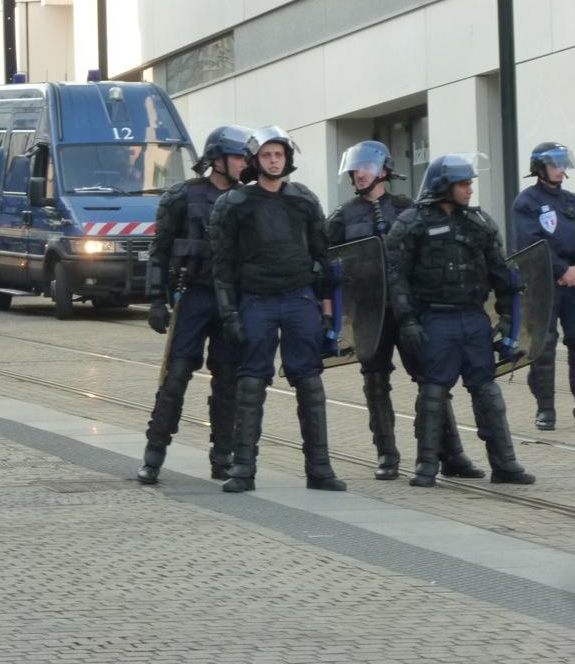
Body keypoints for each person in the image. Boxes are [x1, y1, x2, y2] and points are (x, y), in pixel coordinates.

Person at [326, 141, 484, 482]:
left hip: (410, 308)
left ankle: (451, 454)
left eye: (366, 167)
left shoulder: (407, 207)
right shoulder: (342, 216)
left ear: (384, 170)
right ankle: (387, 454)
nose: (360, 173)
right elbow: (325, 263)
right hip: (369, 311)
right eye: (356, 169)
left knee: (432, 380)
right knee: (375, 381)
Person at [211, 126, 346, 494]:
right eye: (267, 155)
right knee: (251, 383)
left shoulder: (304, 199)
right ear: (256, 160)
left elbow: (323, 258)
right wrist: (229, 314)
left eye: (279, 155)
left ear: (288, 159)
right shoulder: (234, 204)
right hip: (256, 301)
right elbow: (221, 266)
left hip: (300, 300)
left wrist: (328, 313)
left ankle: (319, 469)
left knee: (310, 383)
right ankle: (242, 469)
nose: (274, 161)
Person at [386, 153, 535, 487]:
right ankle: (426, 465)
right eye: (463, 184)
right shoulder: (411, 223)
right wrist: (407, 320)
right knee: (433, 393)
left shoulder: (480, 222)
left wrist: (511, 316)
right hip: (435, 319)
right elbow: (397, 278)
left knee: (487, 393)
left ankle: (505, 464)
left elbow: (501, 271)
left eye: (469, 183)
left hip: (473, 319)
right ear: (444, 186)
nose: (469, 190)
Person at [137, 124, 253, 485]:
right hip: (194, 297)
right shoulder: (182, 196)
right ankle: (153, 456)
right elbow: (159, 252)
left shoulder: (247, 200)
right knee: (176, 377)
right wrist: (157, 300)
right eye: (237, 157)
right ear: (217, 160)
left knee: (229, 380)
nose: (243, 163)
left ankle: (223, 456)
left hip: (231, 301)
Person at [512, 142, 575, 430]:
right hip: (543, 284)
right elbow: (529, 242)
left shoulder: (573, 202)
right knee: (544, 345)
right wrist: (561, 269)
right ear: (540, 168)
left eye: (562, 164)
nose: (560, 170)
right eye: (555, 164)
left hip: (574, 283)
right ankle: (546, 411)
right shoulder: (526, 202)